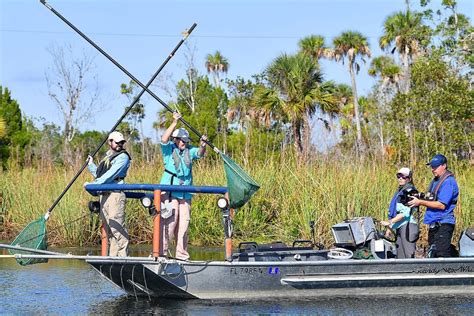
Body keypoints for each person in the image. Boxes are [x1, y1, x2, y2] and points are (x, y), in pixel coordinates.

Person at [160, 112, 207, 260]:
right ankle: (162, 253)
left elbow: (199, 153)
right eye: (182, 140)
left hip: (185, 193)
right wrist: (174, 122)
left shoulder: (189, 150)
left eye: (186, 141)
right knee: (170, 224)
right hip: (171, 192)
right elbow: (163, 139)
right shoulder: (169, 150)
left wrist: (203, 145)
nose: (184, 143)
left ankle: (182, 254)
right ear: (176, 140)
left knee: (184, 225)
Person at [84, 131, 131, 257]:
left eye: (122, 142)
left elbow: (111, 175)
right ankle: (113, 258)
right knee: (109, 230)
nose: (120, 144)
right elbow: (101, 175)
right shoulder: (107, 158)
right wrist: (91, 165)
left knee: (117, 227)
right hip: (104, 195)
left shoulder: (123, 157)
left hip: (115, 194)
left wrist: (94, 184)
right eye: (117, 142)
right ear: (110, 142)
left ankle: (123, 258)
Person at [408, 154, 459, 257]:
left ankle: (454, 267)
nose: (433, 169)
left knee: (441, 253)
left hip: (444, 223)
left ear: (444, 166)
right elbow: (431, 197)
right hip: (433, 223)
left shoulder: (448, 182)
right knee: (434, 251)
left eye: (435, 166)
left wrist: (420, 202)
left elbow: (441, 205)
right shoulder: (435, 181)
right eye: (432, 166)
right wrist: (419, 196)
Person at [381, 167, 419, 258]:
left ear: (409, 179)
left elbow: (404, 213)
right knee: (400, 257)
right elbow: (395, 213)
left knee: (409, 256)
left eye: (403, 177)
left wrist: (389, 222)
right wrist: (389, 228)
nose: (400, 178)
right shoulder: (399, 192)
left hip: (408, 227)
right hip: (399, 227)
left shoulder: (410, 191)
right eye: (398, 176)